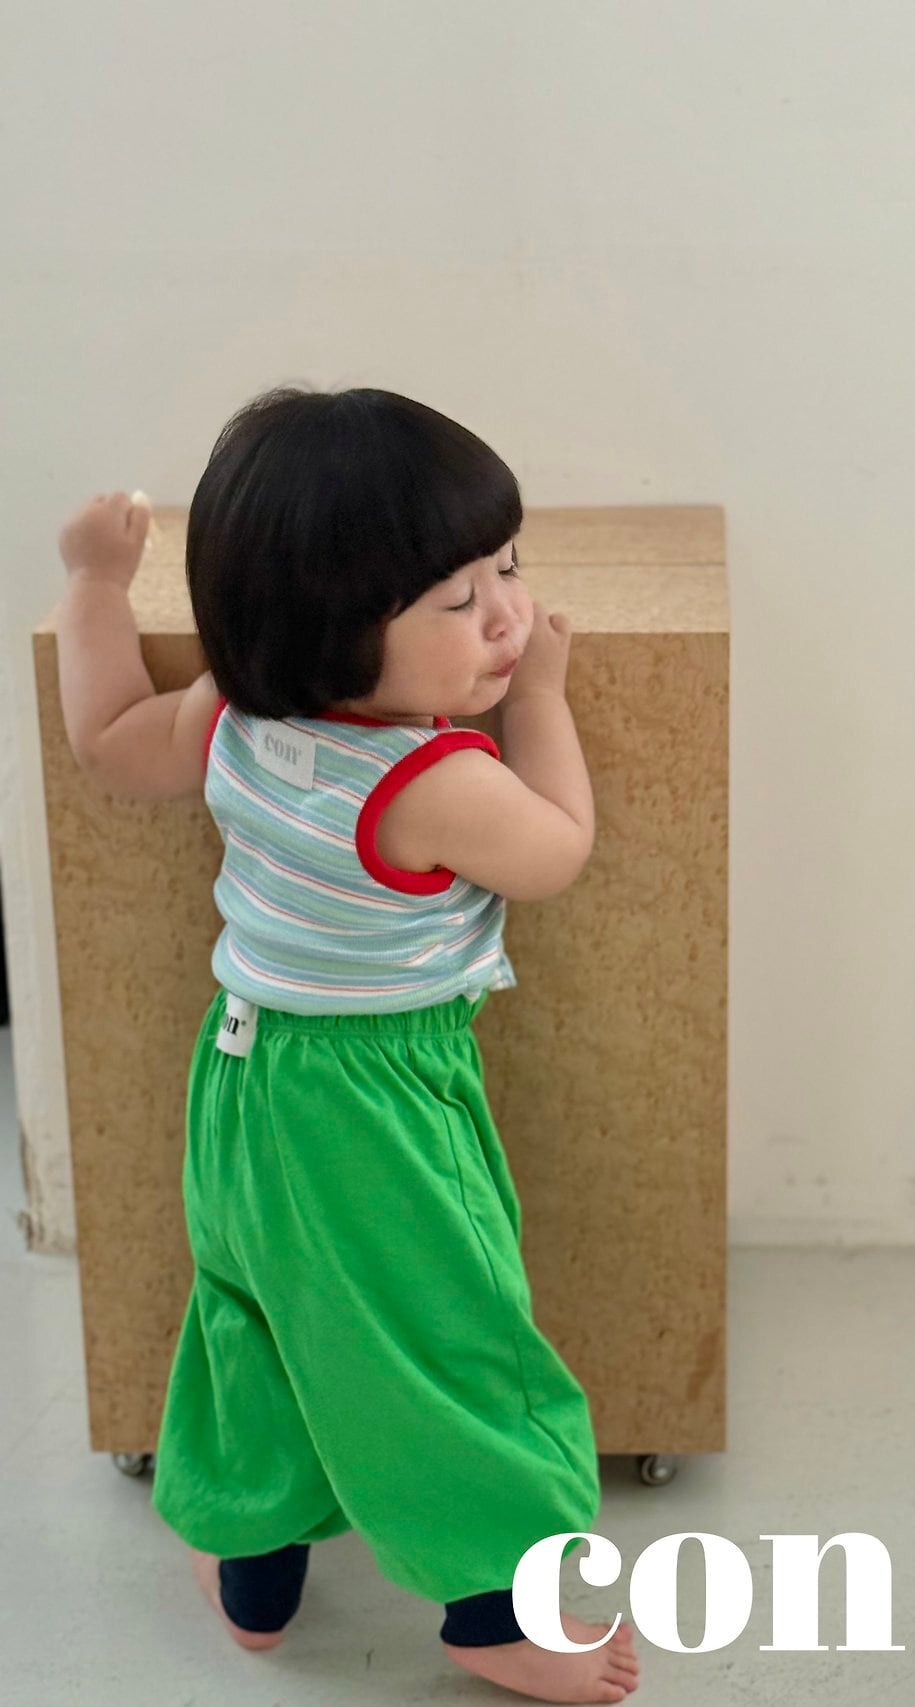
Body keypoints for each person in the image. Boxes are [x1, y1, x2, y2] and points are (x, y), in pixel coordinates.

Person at [52, 385, 641, 1704]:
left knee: (256, 1316)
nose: (509, 616)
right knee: (450, 1338)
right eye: (460, 600)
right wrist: (542, 698)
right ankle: (495, 1610)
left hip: (242, 1076)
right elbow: (558, 850)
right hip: (374, 1103)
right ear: (328, 628)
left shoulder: (229, 715)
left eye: (510, 570)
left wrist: (94, 584)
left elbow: (104, 738)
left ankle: (252, 1576)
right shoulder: (435, 783)